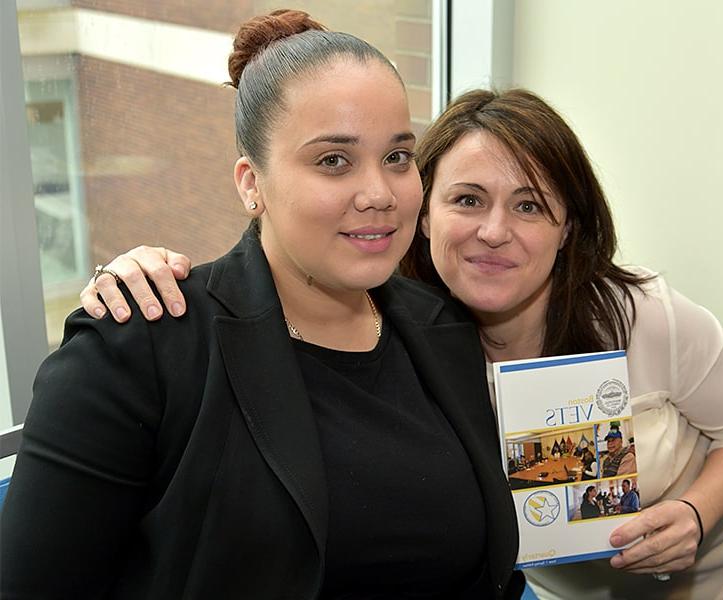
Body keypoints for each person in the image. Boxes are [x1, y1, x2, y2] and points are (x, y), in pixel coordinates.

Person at [79, 88, 723, 599]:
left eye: (530, 206)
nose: (494, 232)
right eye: (467, 200)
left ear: (568, 228)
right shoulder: (396, 334)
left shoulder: (642, 313)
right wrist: (146, 272)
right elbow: (279, 280)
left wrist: (694, 515)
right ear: (421, 212)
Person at [0, 11, 525, 599]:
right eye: (334, 160)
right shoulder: (138, 346)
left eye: (398, 157)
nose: (379, 193)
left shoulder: (442, 328)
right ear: (251, 183)